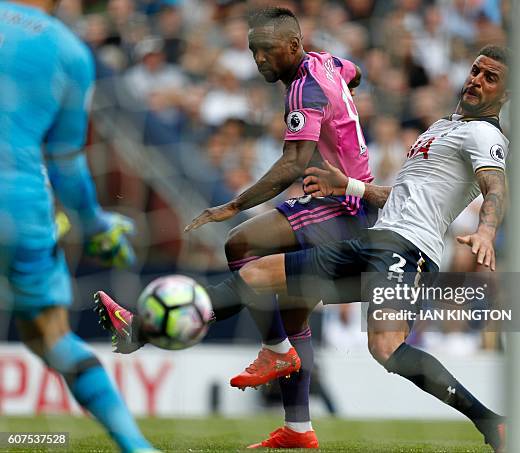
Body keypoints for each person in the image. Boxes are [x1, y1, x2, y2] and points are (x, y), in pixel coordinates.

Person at [96, 44, 509, 451]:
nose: (476, 79)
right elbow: (402, 197)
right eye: (476, 70)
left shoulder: (484, 135)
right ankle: (142, 331)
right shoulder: (441, 127)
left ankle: (490, 421)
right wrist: (346, 184)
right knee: (255, 275)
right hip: (375, 239)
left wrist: (486, 231)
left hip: (408, 250)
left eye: (490, 78)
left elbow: (494, 188)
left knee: (385, 349)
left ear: (505, 95)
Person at [97, 6, 375, 449]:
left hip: (342, 207)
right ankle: (298, 430)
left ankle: (269, 350)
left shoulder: (305, 88)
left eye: (266, 51)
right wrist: (345, 101)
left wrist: (233, 204)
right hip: (347, 205)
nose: (259, 60)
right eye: (252, 51)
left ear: (292, 45)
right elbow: (354, 72)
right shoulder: (328, 63)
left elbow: (293, 164)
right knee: (291, 309)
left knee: (240, 242)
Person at [0, 1, 157, 452]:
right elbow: (66, 165)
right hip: (20, 207)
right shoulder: (68, 50)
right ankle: (136, 447)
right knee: (51, 336)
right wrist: (95, 226)